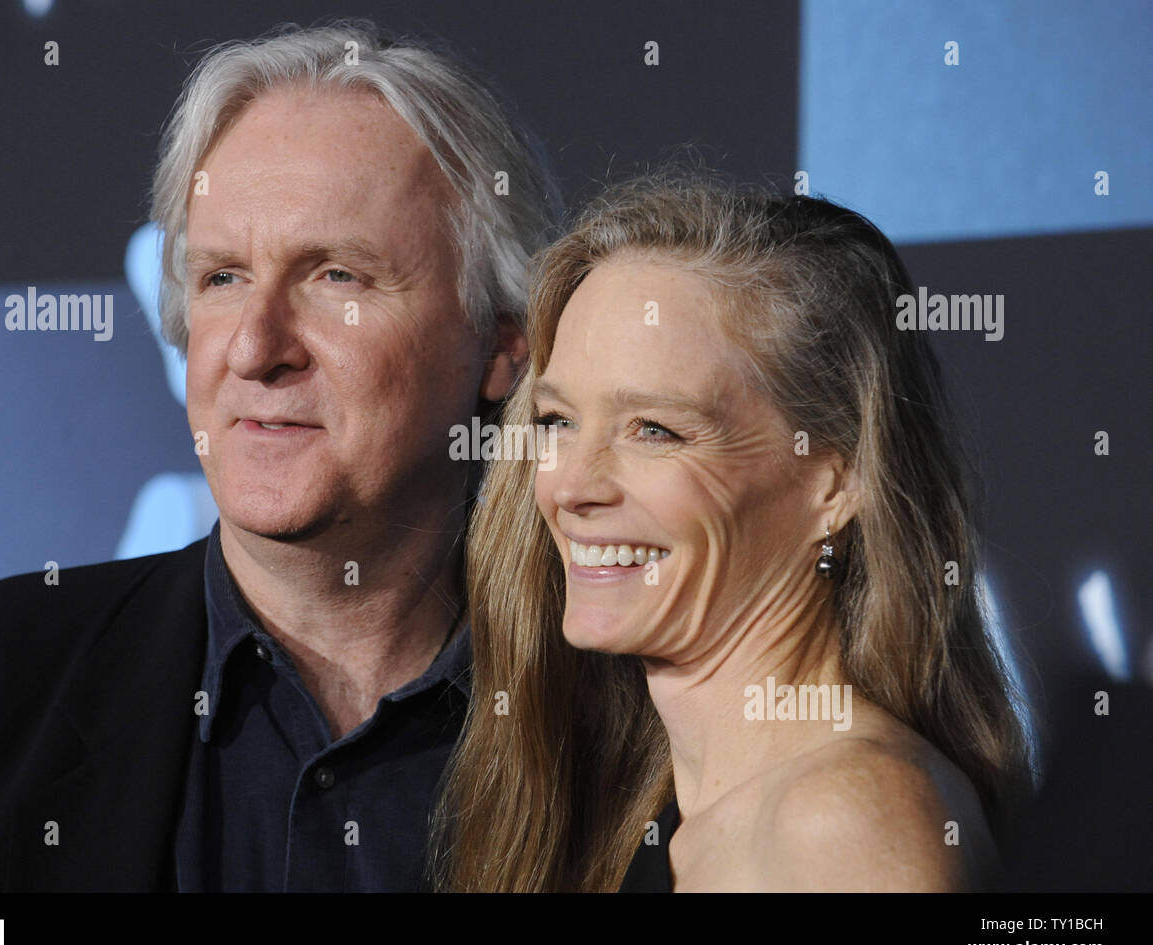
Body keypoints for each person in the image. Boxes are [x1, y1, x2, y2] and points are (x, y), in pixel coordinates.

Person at [0, 20, 560, 891]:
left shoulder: (638, 743)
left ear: (502, 345)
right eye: (222, 277)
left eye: (336, 275)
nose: (256, 347)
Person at [430, 171, 1034, 892]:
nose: (572, 486)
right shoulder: (667, 810)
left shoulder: (848, 820)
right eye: (558, 423)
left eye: (654, 429)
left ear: (834, 481)